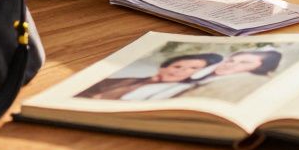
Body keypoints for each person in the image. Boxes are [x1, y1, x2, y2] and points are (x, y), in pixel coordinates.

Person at [76, 52, 221, 101]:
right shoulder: (130, 78)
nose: (180, 71)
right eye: (177, 66)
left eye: (193, 69)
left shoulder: (177, 90)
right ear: (163, 67)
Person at [178, 49, 283, 103]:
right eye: (230, 60)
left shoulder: (243, 83)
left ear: (260, 68)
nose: (231, 64)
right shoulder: (199, 77)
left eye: (244, 62)